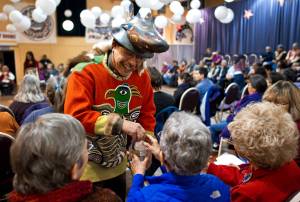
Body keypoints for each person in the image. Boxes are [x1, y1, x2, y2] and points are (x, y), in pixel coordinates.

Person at [64, 15, 169, 200]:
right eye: (129, 53)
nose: (133, 63)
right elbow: (75, 117)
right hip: (86, 169)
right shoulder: (85, 72)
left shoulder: (142, 77)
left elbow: (147, 114)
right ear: (114, 44)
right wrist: (120, 124)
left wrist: (146, 141)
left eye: (140, 57)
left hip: (120, 166)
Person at [8, 113, 121, 202]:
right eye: (87, 147)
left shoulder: (11, 198)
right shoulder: (105, 198)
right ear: (75, 169)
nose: (88, 151)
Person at [127, 111, 230, 201]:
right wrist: (161, 154)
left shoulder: (147, 196)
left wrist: (138, 175)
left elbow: (133, 199)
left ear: (164, 158)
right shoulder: (218, 185)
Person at [207, 102, 300, 201]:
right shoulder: (290, 165)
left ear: (248, 152)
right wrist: (211, 168)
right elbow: (247, 176)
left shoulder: (247, 194)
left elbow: (249, 181)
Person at [210, 74, 267, 147]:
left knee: (212, 128)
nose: (247, 85)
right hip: (240, 123)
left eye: (249, 84)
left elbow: (237, 116)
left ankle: (216, 146)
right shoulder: (260, 98)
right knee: (221, 122)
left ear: (254, 89)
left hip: (238, 125)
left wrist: (230, 119)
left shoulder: (251, 101)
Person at [263, 80, 300, 166]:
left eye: (280, 103)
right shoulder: (272, 120)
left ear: (293, 106)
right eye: (269, 101)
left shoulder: (295, 128)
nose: (272, 106)